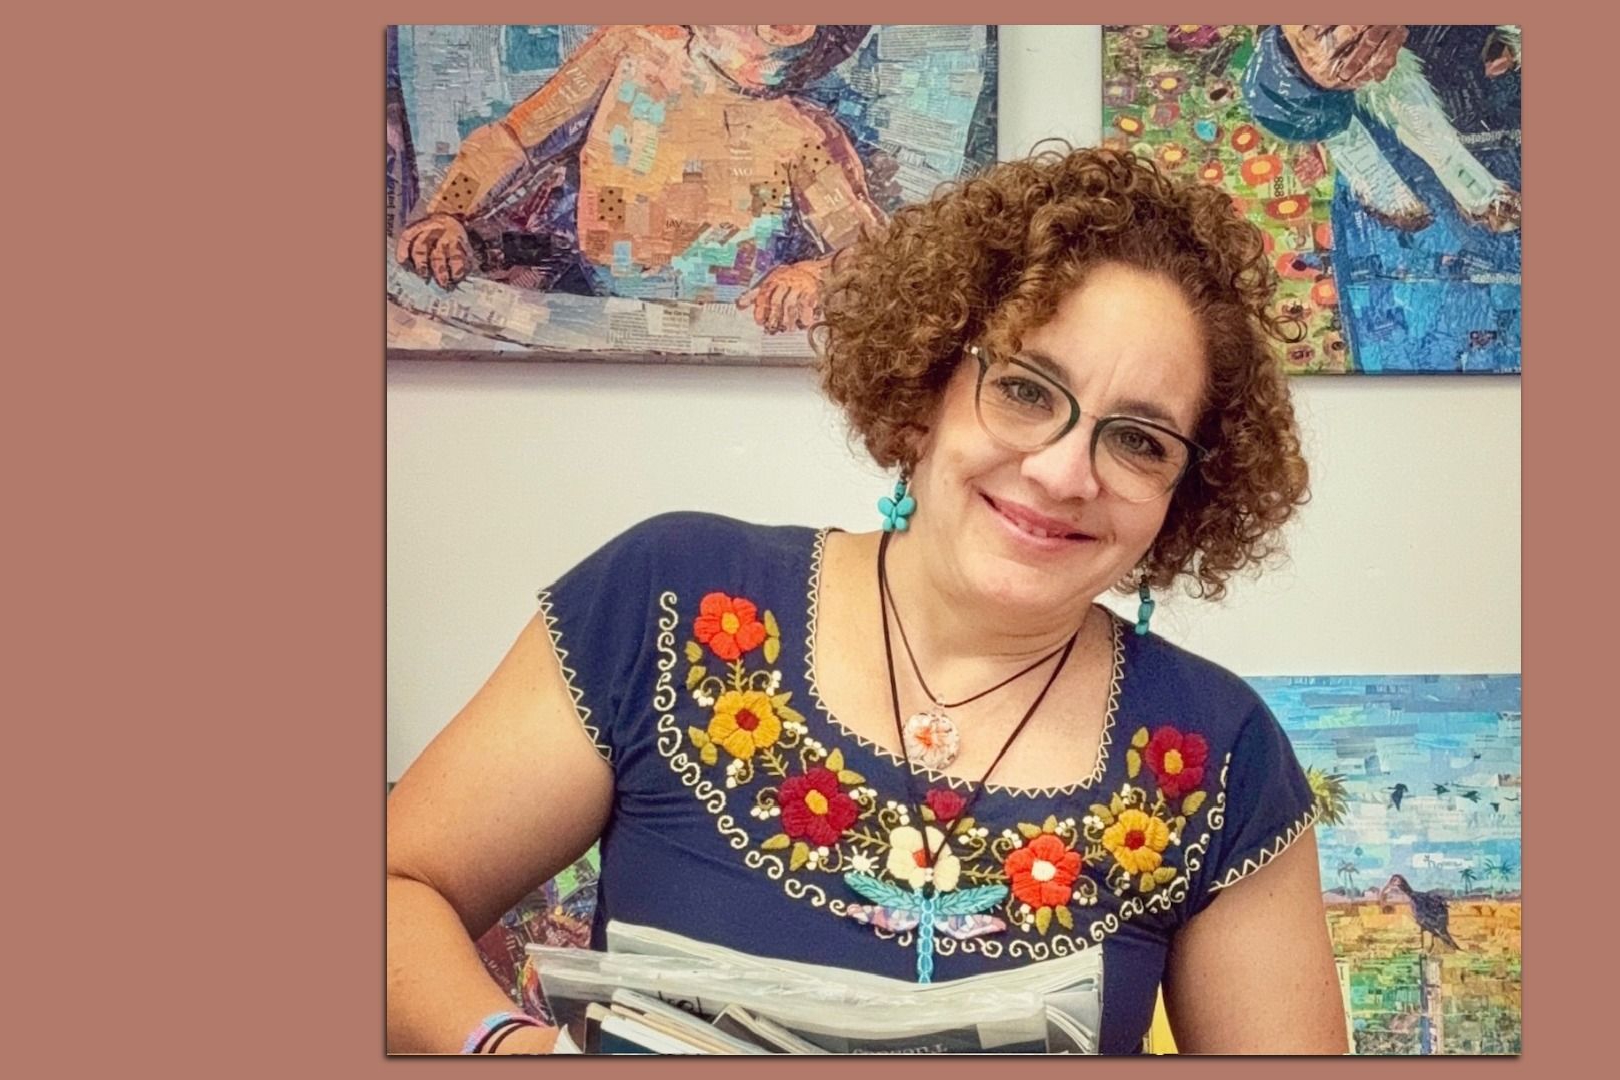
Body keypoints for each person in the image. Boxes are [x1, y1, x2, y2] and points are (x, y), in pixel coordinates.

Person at [387, 145, 1346, 1055]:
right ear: (928, 382)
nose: (1061, 472)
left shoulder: (1220, 758)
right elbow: (395, 890)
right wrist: (511, 1046)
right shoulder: (669, 600)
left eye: (1138, 439)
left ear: (1187, 494)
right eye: (1022, 388)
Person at [394, 25, 885, 333]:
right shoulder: (633, 49)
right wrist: (447, 212)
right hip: (576, 301)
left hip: (725, 335)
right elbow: (513, 139)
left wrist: (816, 275)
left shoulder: (804, 134)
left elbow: (876, 256)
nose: (785, 30)